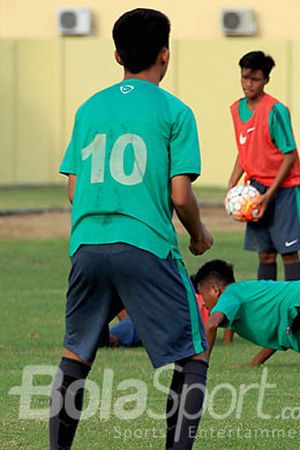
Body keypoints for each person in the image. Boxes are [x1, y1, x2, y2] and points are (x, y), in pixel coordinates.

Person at [53, 8, 213, 449]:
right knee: (194, 352)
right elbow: (180, 195)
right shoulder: (174, 110)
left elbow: (73, 190)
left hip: (86, 244)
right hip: (144, 244)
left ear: (117, 55)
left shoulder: (90, 108)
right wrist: (199, 235)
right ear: (166, 54)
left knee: (76, 353)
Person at [225, 50, 300, 344]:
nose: (248, 84)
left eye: (255, 79)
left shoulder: (276, 111)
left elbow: (289, 155)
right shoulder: (236, 109)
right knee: (264, 253)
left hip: (282, 190)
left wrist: (269, 194)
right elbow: (244, 150)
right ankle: (268, 310)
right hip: (254, 190)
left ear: (266, 80)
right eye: (245, 77)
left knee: (288, 252)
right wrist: (232, 184)